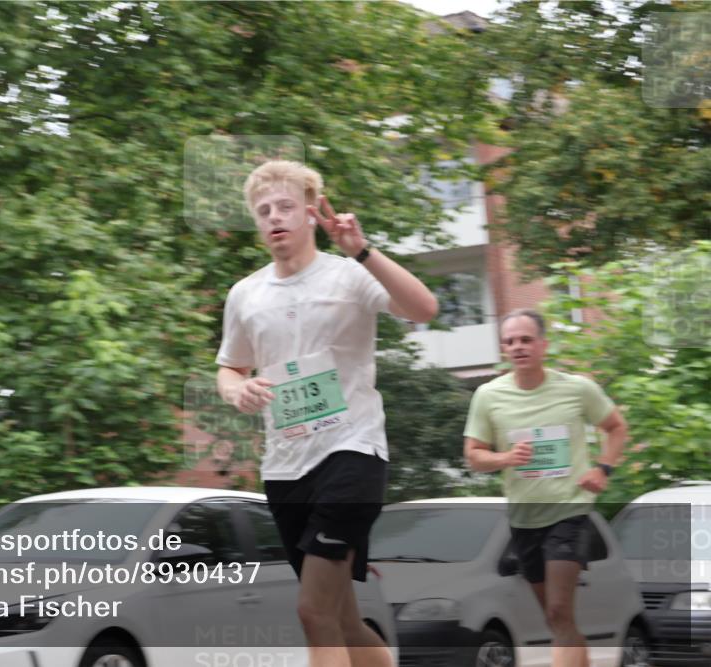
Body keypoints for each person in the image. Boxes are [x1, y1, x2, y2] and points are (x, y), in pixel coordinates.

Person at [216, 160, 437, 667]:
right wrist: (237, 391)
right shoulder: (246, 294)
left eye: (287, 206)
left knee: (312, 612)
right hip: (285, 465)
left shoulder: (349, 275)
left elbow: (424, 308)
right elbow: (229, 368)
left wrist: (361, 250)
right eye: (264, 209)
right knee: (341, 620)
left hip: (352, 452)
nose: (275, 216)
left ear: (312, 214)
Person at [463, 308, 629, 667]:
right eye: (510, 342)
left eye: (525, 340)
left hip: (568, 511)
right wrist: (505, 458)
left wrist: (603, 469)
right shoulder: (489, 396)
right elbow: (474, 456)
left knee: (557, 608)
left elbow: (616, 428)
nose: (518, 347)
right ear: (503, 349)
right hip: (523, 518)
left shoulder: (577, 388)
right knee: (556, 618)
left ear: (543, 345)